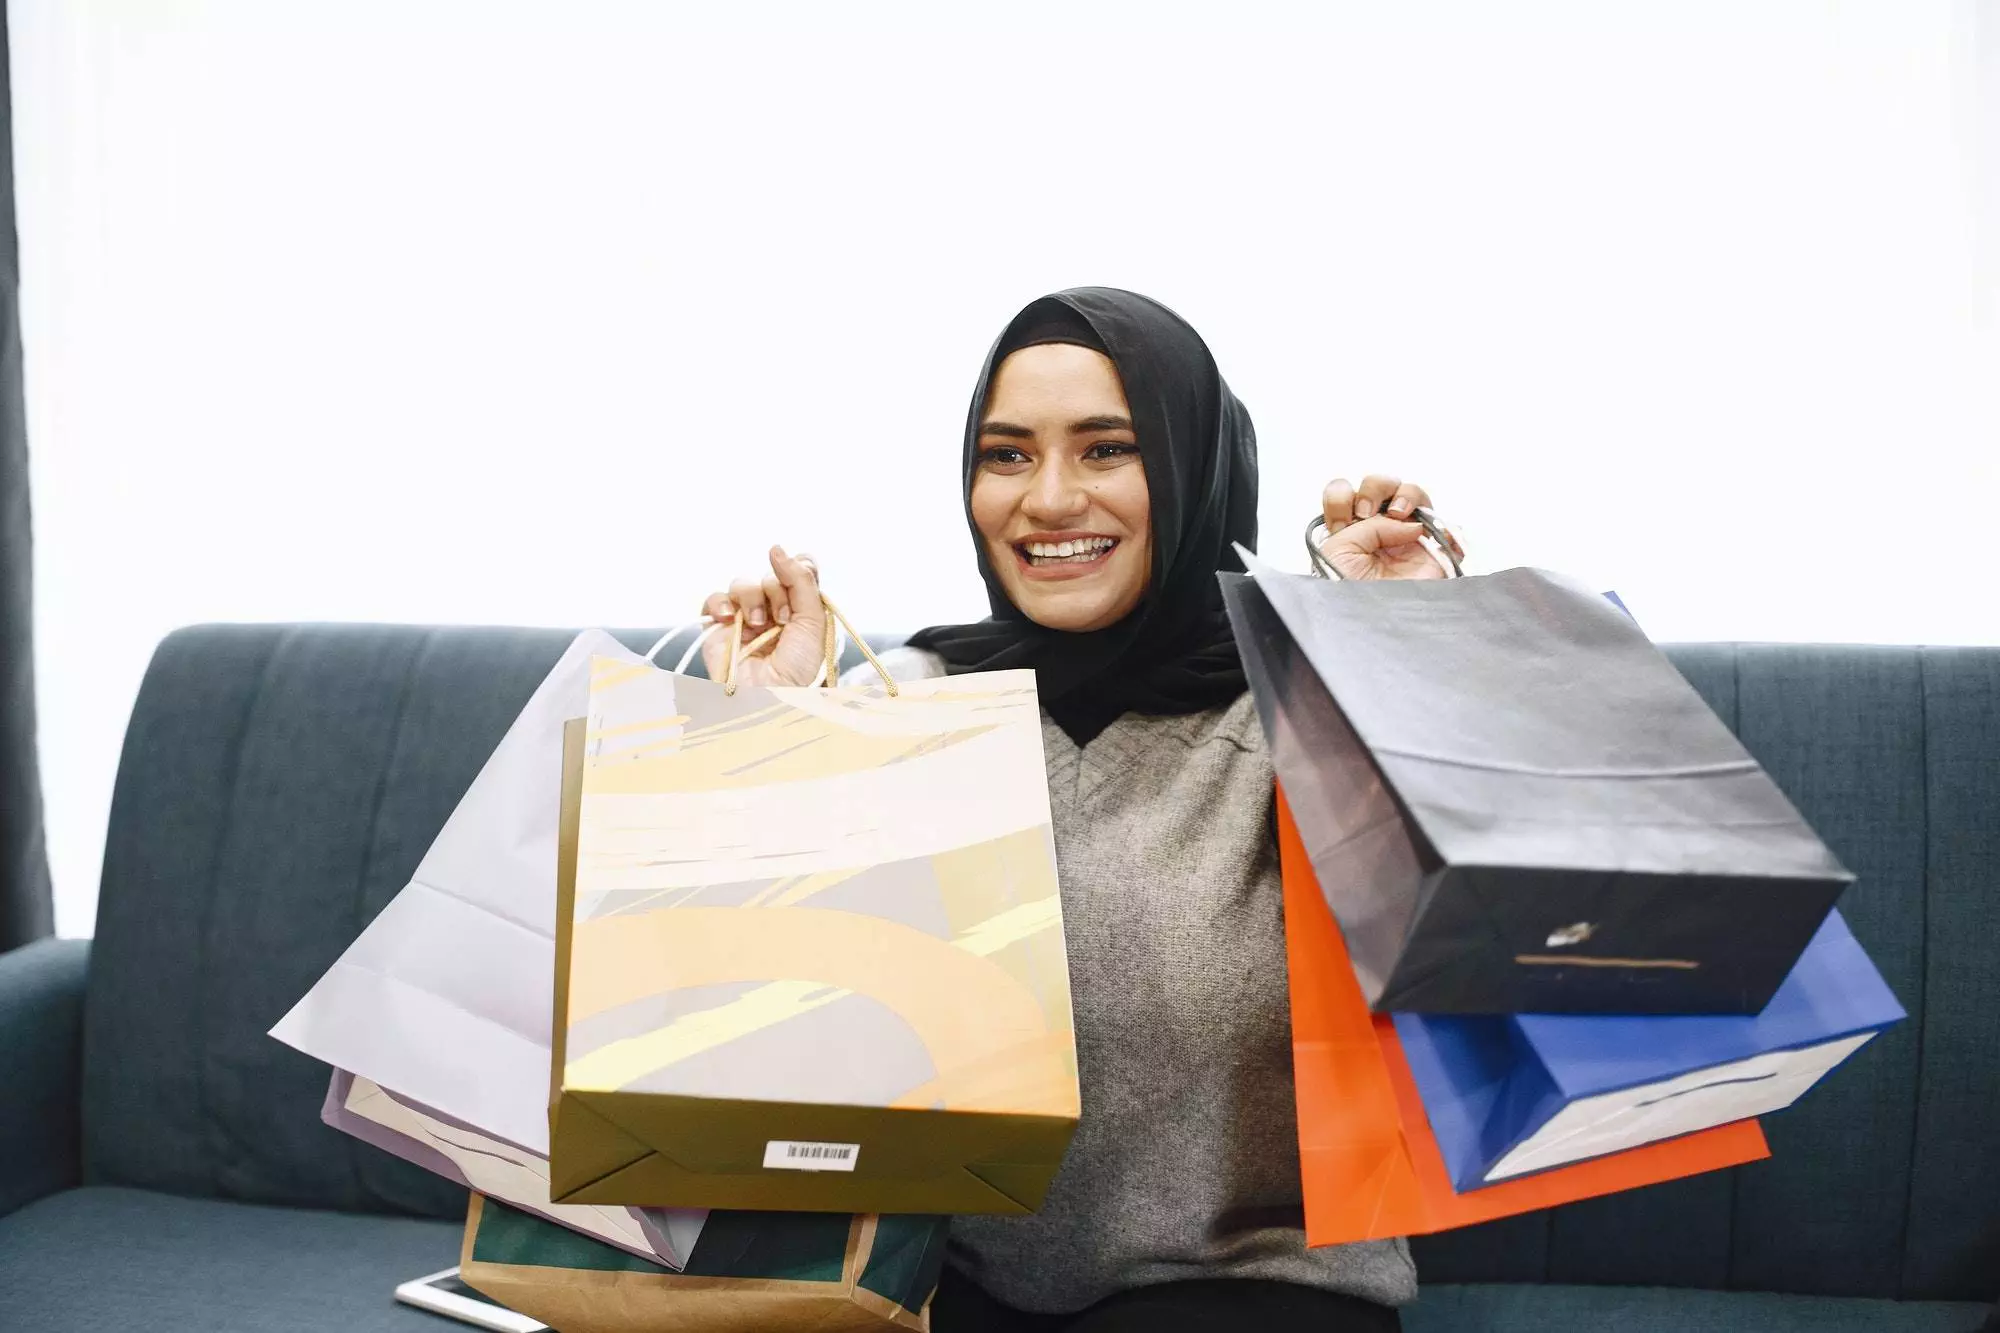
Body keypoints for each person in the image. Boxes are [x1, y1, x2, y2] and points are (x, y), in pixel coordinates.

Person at [699, 288, 1462, 1333]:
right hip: (940, 1283)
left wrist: (1406, 666)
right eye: (1005, 455)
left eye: (1106, 449)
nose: (1047, 498)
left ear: (1193, 470)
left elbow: (1476, 956)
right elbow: (761, 1028)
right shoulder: (908, 699)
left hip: (1255, 1291)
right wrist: (770, 743)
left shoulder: (1303, 704)